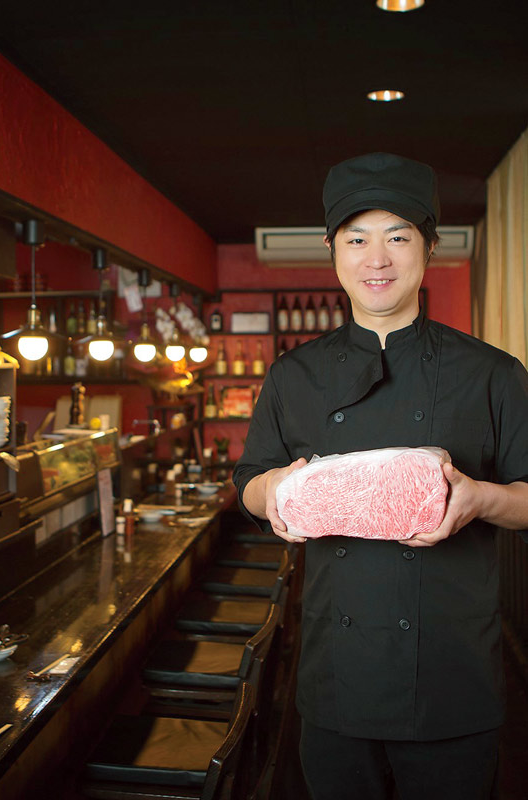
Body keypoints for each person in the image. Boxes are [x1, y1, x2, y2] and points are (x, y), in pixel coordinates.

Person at [233, 152, 528, 800]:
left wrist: (479, 498)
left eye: (397, 236)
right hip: (336, 680)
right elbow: (251, 478)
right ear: (331, 248)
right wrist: (274, 494)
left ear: (428, 246)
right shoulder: (293, 374)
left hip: (453, 680)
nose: (377, 258)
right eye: (357, 237)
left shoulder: (491, 372)